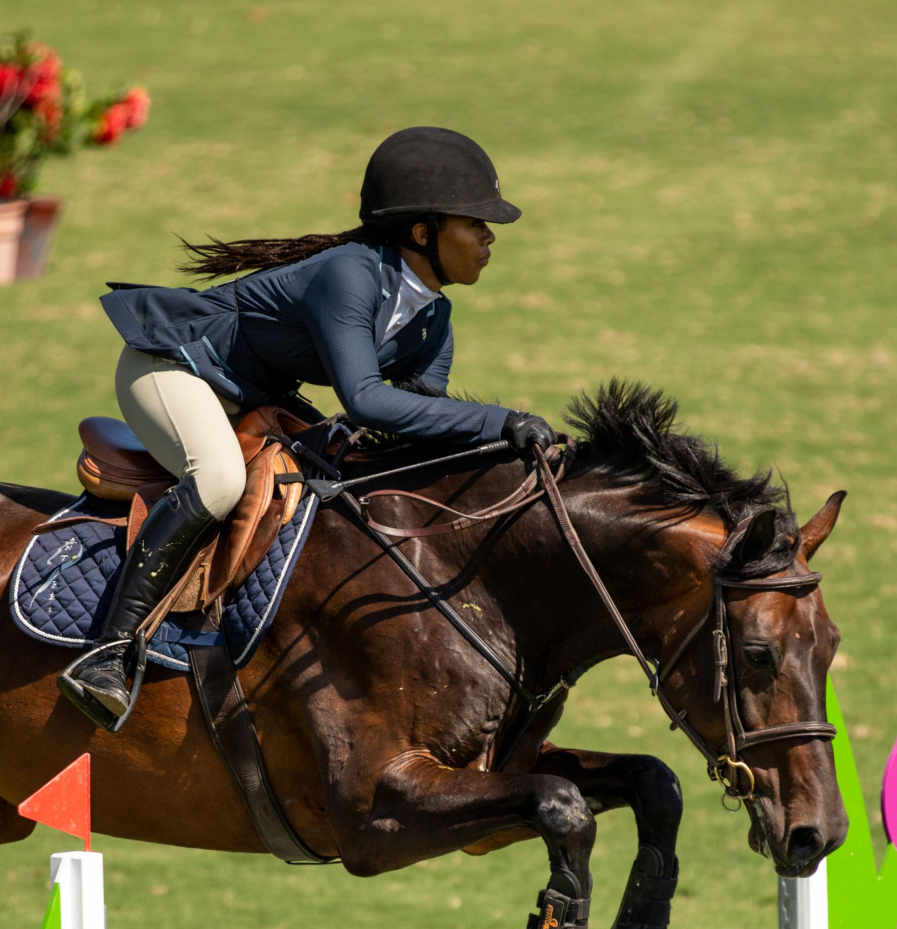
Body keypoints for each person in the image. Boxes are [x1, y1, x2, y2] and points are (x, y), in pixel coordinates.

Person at [61, 125, 556, 731]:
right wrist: (503, 420)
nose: (488, 237)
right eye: (474, 223)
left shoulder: (433, 322)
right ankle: (107, 653)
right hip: (173, 366)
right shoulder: (348, 275)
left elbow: (417, 428)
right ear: (422, 232)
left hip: (249, 396)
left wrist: (515, 453)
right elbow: (368, 402)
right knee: (216, 480)